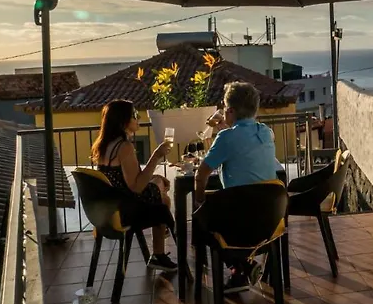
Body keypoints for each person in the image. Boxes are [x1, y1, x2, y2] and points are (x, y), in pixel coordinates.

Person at [195, 81, 279, 292]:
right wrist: (227, 127)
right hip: (270, 220)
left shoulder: (226, 138)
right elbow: (243, 142)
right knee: (223, 213)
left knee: (200, 222)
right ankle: (240, 271)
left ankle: (237, 267)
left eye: (225, 108)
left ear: (230, 110)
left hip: (239, 223)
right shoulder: (267, 132)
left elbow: (201, 174)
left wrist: (199, 201)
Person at [91, 99, 177, 272]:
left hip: (110, 210)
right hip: (126, 211)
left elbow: (126, 179)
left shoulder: (104, 146)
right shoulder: (124, 147)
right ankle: (160, 247)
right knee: (162, 199)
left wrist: (155, 178)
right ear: (123, 120)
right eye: (135, 115)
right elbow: (136, 187)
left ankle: (160, 244)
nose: (139, 118)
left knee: (159, 188)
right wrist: (156, 156)